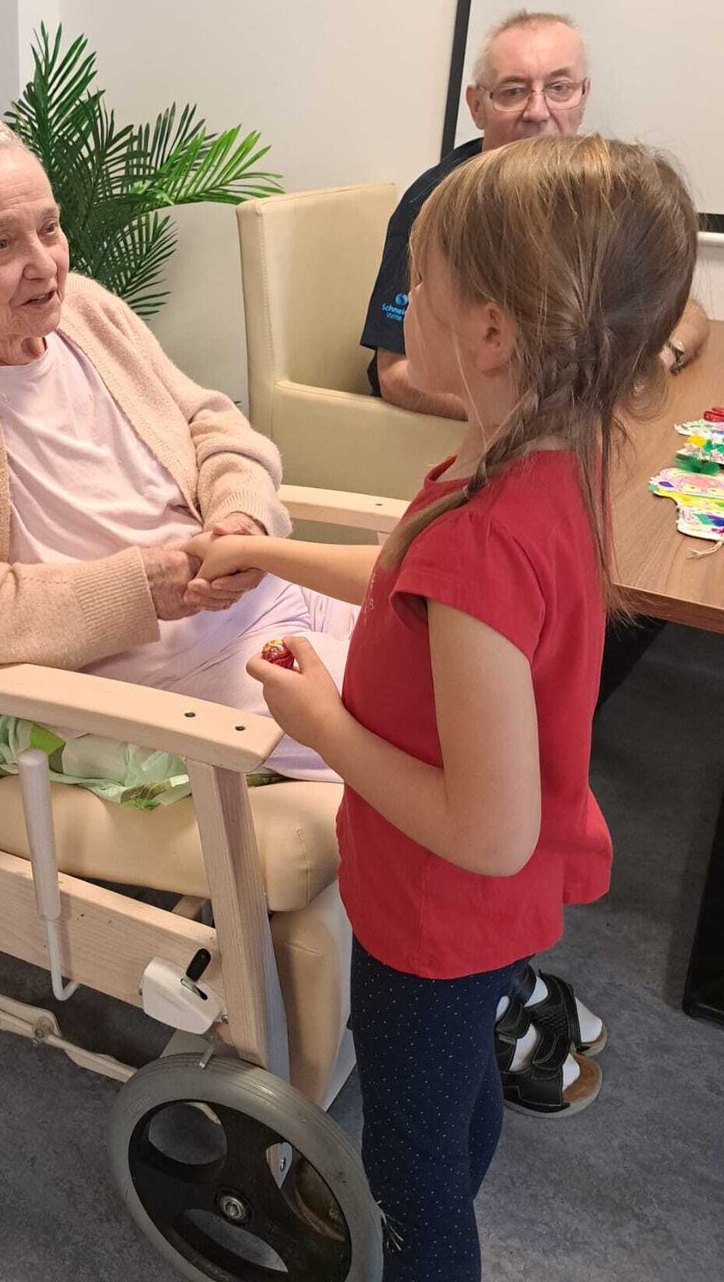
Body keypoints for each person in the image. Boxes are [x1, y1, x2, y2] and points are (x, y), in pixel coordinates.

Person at [188, 135, 699, 1279]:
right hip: (485, 912)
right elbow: (401, 570)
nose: (401, 305)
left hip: (433, 914)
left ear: (490, 332)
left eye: (418, 284)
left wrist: (321, 723)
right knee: (457, 1098)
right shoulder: (536, 461)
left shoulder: (483, 536)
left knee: (409, 1174)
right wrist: (265, 549)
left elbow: (485, 826)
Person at [0, 108, 356, 790]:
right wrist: (137, 590)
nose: (43, 265)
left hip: (269, 596)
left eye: (49, 228)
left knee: (465, 655)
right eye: (1, 244)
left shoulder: (84, 311)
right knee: (429, 734)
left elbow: (211, 423)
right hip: (161, 676)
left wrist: (240, 517)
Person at [360, 10, 706, 414]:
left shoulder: (600, 197)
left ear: (583, 97)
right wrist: (549, 418)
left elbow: (684, 311)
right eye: (513, 91)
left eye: (559, 88)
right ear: (477, 106)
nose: (538, 111)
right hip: (472, 433)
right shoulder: (434, 207)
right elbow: (395, 375)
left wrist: (662, 357)